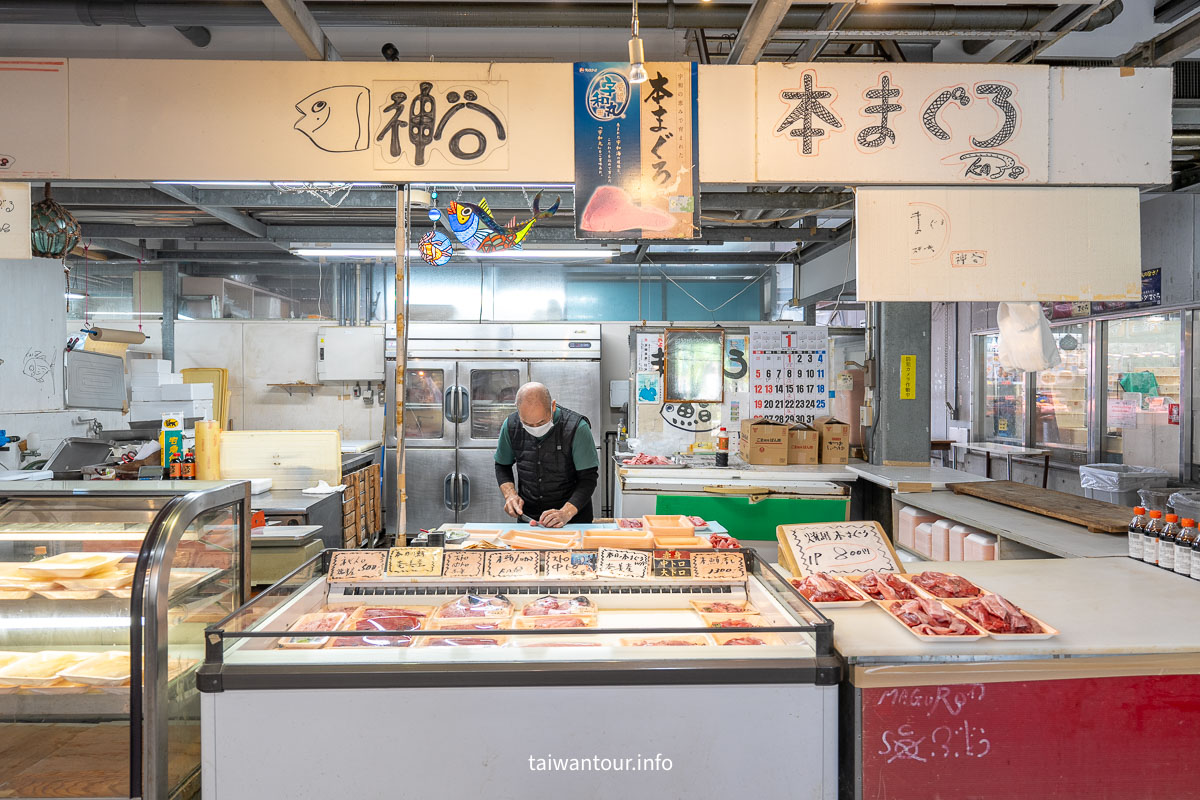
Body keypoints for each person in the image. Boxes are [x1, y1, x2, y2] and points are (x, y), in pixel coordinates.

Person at [494, 382, 598, 527]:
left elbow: (588, 478)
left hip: (572, 520)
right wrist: (510, 494)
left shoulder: (577, 428)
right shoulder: (511, 425)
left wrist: (565, 513)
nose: (535, 428)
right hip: (529, 519)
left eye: (541, 422)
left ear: (553, 406)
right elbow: (502, 465)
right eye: (528, 424)